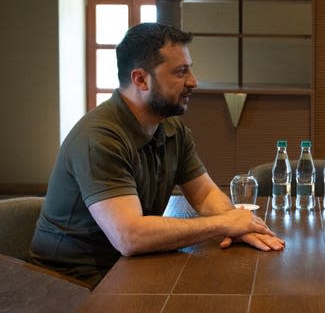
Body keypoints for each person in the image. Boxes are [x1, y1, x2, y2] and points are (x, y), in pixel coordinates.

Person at [30, 23, 285, 287]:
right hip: (68, 285)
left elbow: (205, 194)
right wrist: (224, 223)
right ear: (141, 79)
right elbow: (130, 237)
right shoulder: (99, 138)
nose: (193, 81)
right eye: (180, 72)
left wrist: (239, 226)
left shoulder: (171, 128)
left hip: (126, 269)